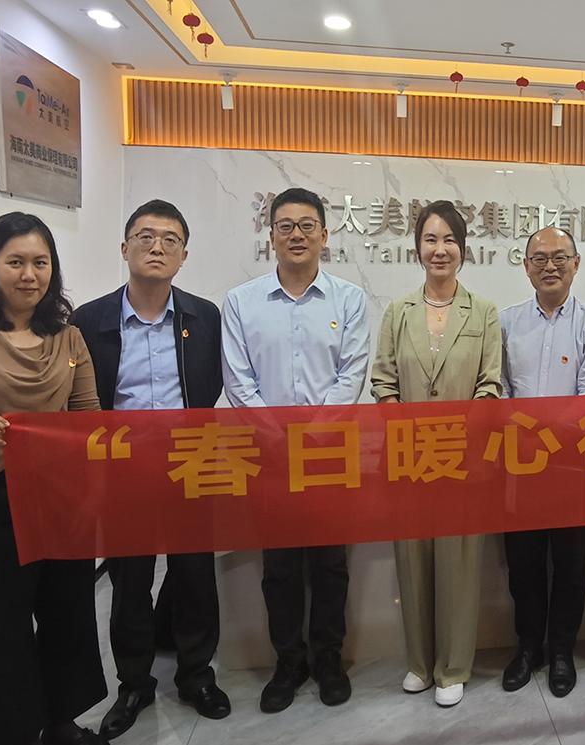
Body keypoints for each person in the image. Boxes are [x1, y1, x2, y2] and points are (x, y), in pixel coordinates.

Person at [0, 213, 108, 745]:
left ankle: (60, 724)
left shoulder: (70, 339)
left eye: (41, 262)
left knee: (68, 619)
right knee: (4, 632)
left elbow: (90, 422)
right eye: (15, 261)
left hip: (63, 503)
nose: (29, 274)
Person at [72, 199, 229, 737]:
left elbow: (213, 385)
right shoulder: (89, 320)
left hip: (190, 462)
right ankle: (134, 683)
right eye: (145, 236)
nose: (156, 247)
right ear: (124, 248)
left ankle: (196, 675)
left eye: (169, 239)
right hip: (123, 470)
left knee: (194, 577)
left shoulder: (203, 316)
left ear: (184, 256)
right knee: (130, 582)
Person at [222, 187, 369, 712]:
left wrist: (313, 438)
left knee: (330, 564)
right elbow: (238, 381)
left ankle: (328, 659)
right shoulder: (241, 302)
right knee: (279, 566)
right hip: (268, 456)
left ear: (325, 235)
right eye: (286, 226)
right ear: (271, 237)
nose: (297, 235)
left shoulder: (349, 299)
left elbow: (352, 374)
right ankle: (289, 662)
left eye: (307, 226)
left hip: (330, 453)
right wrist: (278, 439)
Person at [371, 199, 501, 707]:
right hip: (408, 457)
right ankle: (419, 664)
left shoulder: (483, 311)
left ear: (463, 249)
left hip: (462, 459)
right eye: (430, 239)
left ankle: (452, 668)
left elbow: (490, 385)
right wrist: (405, 429)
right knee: (412, 559)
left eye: (449, 239)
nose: (439, 249)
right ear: (418, 247)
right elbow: (383, 381)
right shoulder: (398, 311)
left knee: (459, 563)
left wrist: (457, 438)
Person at [498, 226, 585, 697]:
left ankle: (562, 650)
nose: (550, 266)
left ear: (576, 264)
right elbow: (500, 391)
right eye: (540, 258)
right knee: (522, 566)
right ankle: (529, 648)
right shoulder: (505, 322)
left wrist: (541, 439)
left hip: (572, 467)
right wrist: (527, 439)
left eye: (560, 257)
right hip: (518, 467)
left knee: (570, 567)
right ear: (526, 267)